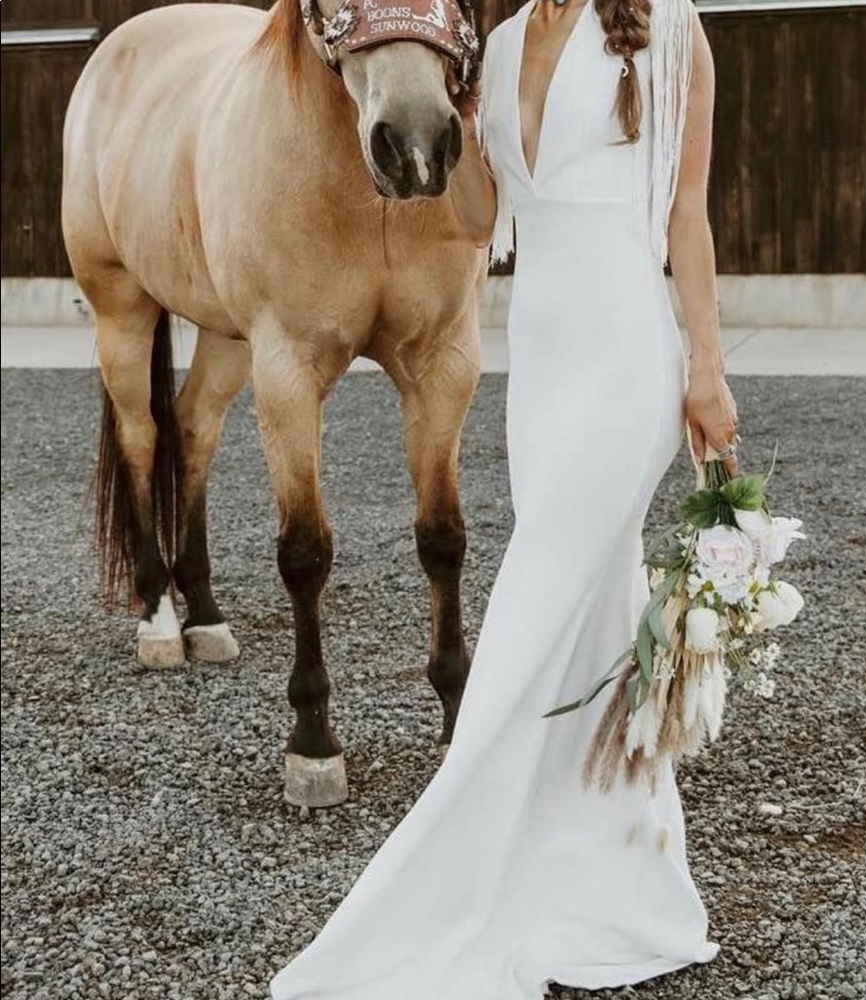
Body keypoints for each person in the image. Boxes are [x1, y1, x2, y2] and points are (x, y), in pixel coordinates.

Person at [271, 0, 738, 996]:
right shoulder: (503, 38)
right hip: (544, 364)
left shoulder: (669, 24)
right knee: (598, 618)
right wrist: (465, 116)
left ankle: (435, 876)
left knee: (529, 609)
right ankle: (616, 866)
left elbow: (686, 210)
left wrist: (707, 366)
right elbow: (482, 220)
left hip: (624, 356)